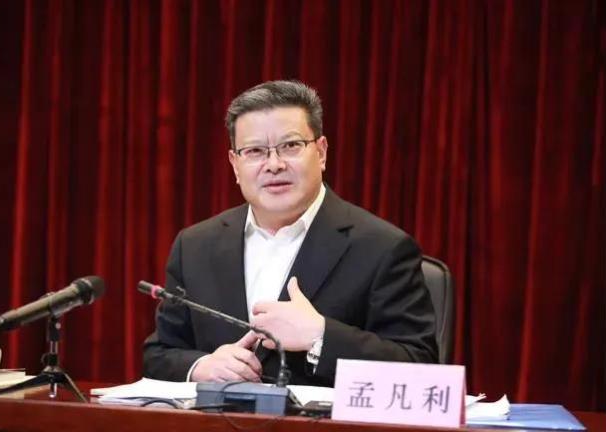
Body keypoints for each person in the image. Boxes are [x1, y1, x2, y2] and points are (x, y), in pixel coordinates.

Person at [143, 80, 437, 387]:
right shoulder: (195, 246)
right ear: (235, 165)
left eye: (291, 146)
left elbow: (422, 368)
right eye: (255, 151)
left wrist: (320, 336)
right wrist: (200, 366)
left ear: (321, 152)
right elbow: (160, 353)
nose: (274, 164)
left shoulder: (382, 247)